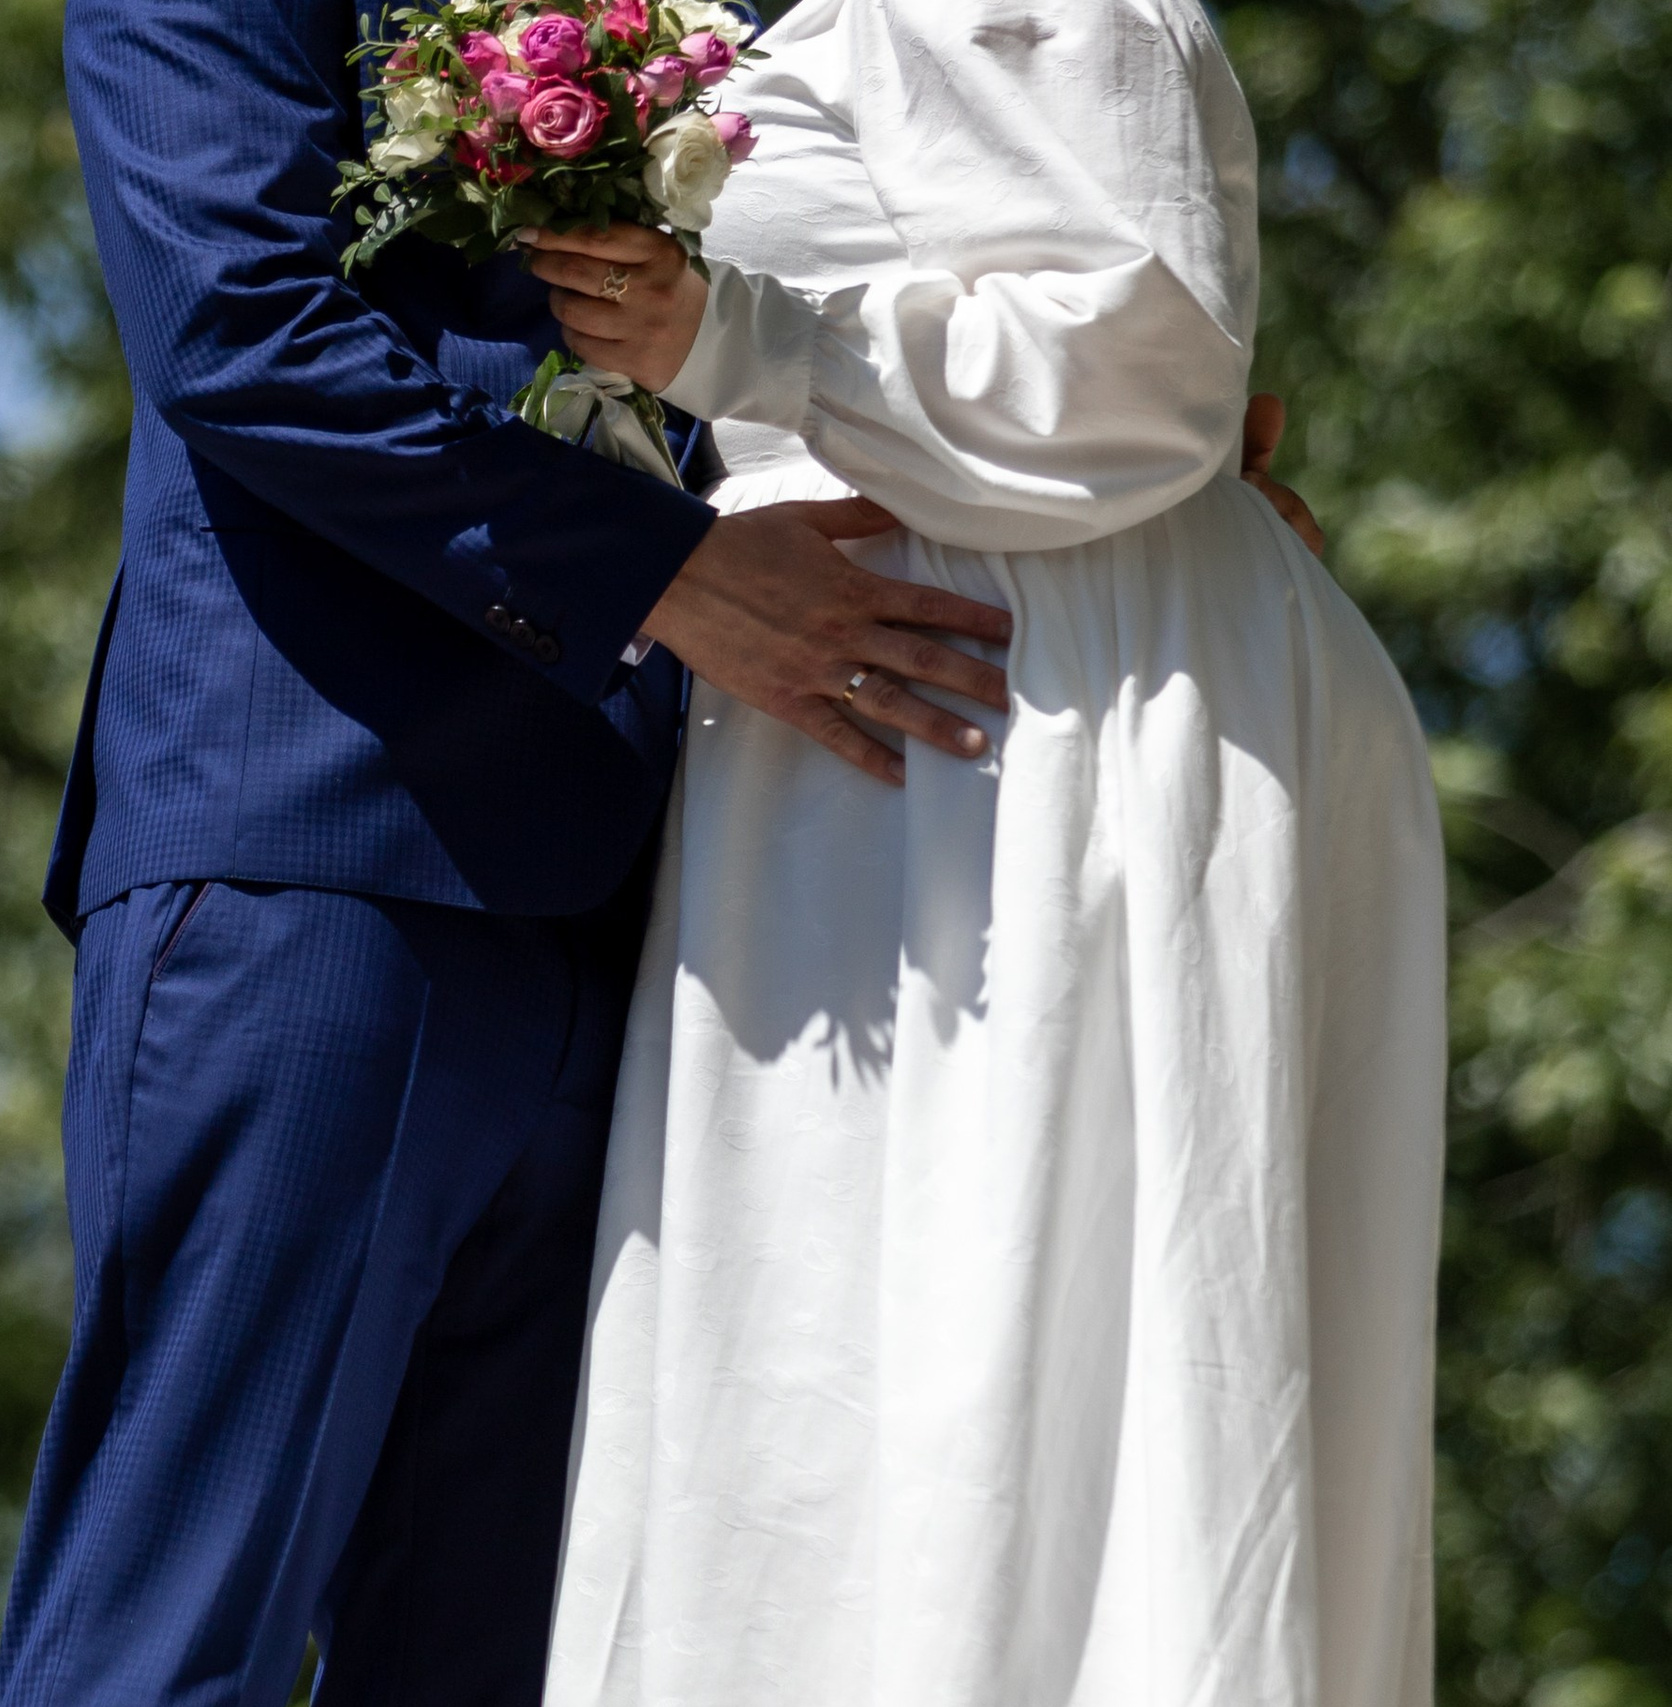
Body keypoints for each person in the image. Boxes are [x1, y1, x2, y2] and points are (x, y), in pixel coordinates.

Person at [519, 3, 1445, 1704]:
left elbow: (1149, 363)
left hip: (1030, 720)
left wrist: (741, 336)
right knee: (831, 1356)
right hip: (883, 723)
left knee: (1021, 1324)